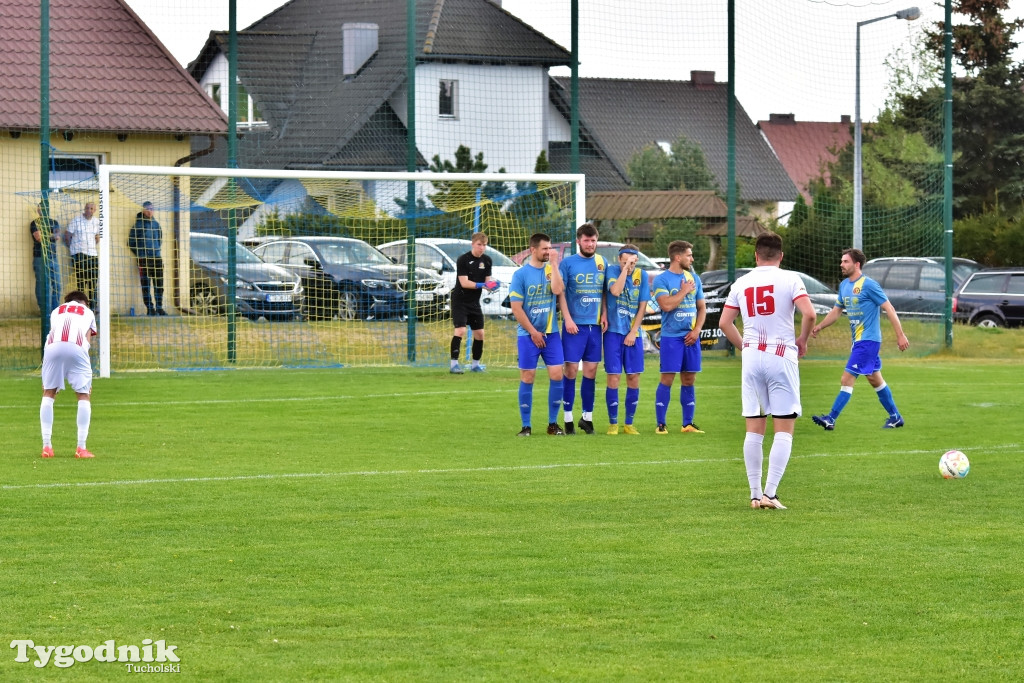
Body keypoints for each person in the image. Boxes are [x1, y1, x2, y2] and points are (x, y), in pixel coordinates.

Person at [718, 232, 816, 510]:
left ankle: (753, 493)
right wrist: (803, 340)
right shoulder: (790, 279)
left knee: (754, 428)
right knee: (784, 427)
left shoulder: (742, 282)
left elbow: (726, 323)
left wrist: (744, 347)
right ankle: (770, 494)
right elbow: (809, 314)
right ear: (781, 256)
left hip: (752, 358)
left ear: (756, 255)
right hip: (781, 355)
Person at [810, 248, 910, 430]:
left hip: (868, 341)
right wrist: (820, 326)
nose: (841, 264)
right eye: (841, 261)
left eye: (845, 261)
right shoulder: (844, 286)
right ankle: (895, 417)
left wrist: (900, 335)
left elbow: (889, 308)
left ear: (856, 264)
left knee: (846, 378)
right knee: (874, 379)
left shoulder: (868, 285)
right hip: (859, 341)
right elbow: (836, 311)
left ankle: (831, 418)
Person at [508, 233, 566, 436]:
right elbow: (516, 308)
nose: (549, 252)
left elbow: (558, 290)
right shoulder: (520, 275)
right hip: (528, 335)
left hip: (551, 333)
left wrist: (555, 266)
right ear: (533, 250)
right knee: (528, 376)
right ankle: (526, 426)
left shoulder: (552, 270)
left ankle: (552, 424)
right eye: (545, 248)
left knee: (558, 374)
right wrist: (533, 332)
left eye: (550, 248)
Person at [651, 240, 706, 434]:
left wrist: (697, 330)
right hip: (671, 338)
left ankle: (687, 424)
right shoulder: (661, 280)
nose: (692, 259)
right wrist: (683, 291)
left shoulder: (694, 278)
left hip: (691, 336)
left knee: (689, 379)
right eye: (689, 255)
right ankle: (661, 424)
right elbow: (666, 305)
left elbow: (702, 308)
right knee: (667, 379)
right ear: (678, 257)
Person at [558, 222, 606, 434]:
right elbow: (560, 292)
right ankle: (567, 419)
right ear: (578, 241)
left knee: (591, 371)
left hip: (594, 327)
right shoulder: (568, 263)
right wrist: (567, 319)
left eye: (593, 240)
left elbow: (604, 291)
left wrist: (604, 313)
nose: (590, 244)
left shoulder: (601, 262)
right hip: (573, 326)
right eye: (586, 240)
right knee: (570, 370)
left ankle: (587, 418)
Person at [40, 291, 98, 459]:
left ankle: (47, 447)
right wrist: (86, 379)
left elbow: (54, 332)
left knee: (48, 393)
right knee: (83, 395)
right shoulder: (88, 312)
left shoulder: (56, 311)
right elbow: (87, 341)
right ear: (84, 303)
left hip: (52, 347)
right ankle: (81, 448)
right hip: (77, 347)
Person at [601, 244, 649, 435]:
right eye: (625, 261)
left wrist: (633, 331)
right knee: (613, 377)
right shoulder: (612, 271)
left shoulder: (642, 276)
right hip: (613, 332)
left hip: (632, 334)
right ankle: (613, 423)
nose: (629, 265)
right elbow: (615, 291)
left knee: (633, 377)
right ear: (619, 260)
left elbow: (643, 306)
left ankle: (629, 423)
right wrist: (624, 270)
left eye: (632, 262)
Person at [449, 232, 499, 373]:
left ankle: (475, 365)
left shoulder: (487, 260)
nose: (482, 248)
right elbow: (464, 283)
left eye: (484, 245)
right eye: (479, 245)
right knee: (461, 330)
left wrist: (492, 286)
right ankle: (453, 365)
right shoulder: (463, 260)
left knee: (480, 333)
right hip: (460, 300)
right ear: (473, 244)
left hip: (474, 302)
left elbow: (487, 282)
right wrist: (482, 285)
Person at [128, 201, 166, 315]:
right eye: (148, 209)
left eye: (152, 209)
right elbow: (131, 242)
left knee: (159, 284)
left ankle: (159, 307)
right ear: (143, 210)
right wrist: (140, 253)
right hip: (144, 259)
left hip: (156, 257)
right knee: (146, 285)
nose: (150, 211)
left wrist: (156, 251)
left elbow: (159, 240)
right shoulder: (138, 225)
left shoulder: (156, 224)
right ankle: (150, 308)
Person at [65, 202, 101, 311]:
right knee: (81, 281)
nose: (89, 210)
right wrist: (72, 248)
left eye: (91, 208)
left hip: (92, 255)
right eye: (87, 208)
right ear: (84, 209)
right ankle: (81, 307)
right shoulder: (76, 220)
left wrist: (96, 240)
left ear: (94, 210)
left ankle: (93, 307)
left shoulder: (97, 222)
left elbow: (98, 236)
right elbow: (67, 234)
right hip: (79, 254)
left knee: (93, 282)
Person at [30, 202, 62, 315]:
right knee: (42, 284)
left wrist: (45, 235)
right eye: (40, 208)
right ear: (38, 210)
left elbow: (57, 236)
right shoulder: (34, 223)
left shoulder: (54, 222)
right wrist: (50, 235)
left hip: (53, 257)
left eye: (44, 208)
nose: (42, 210)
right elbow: (38, 238)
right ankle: (44, 310)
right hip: (39, 257)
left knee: (57, 284)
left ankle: (54, 310)